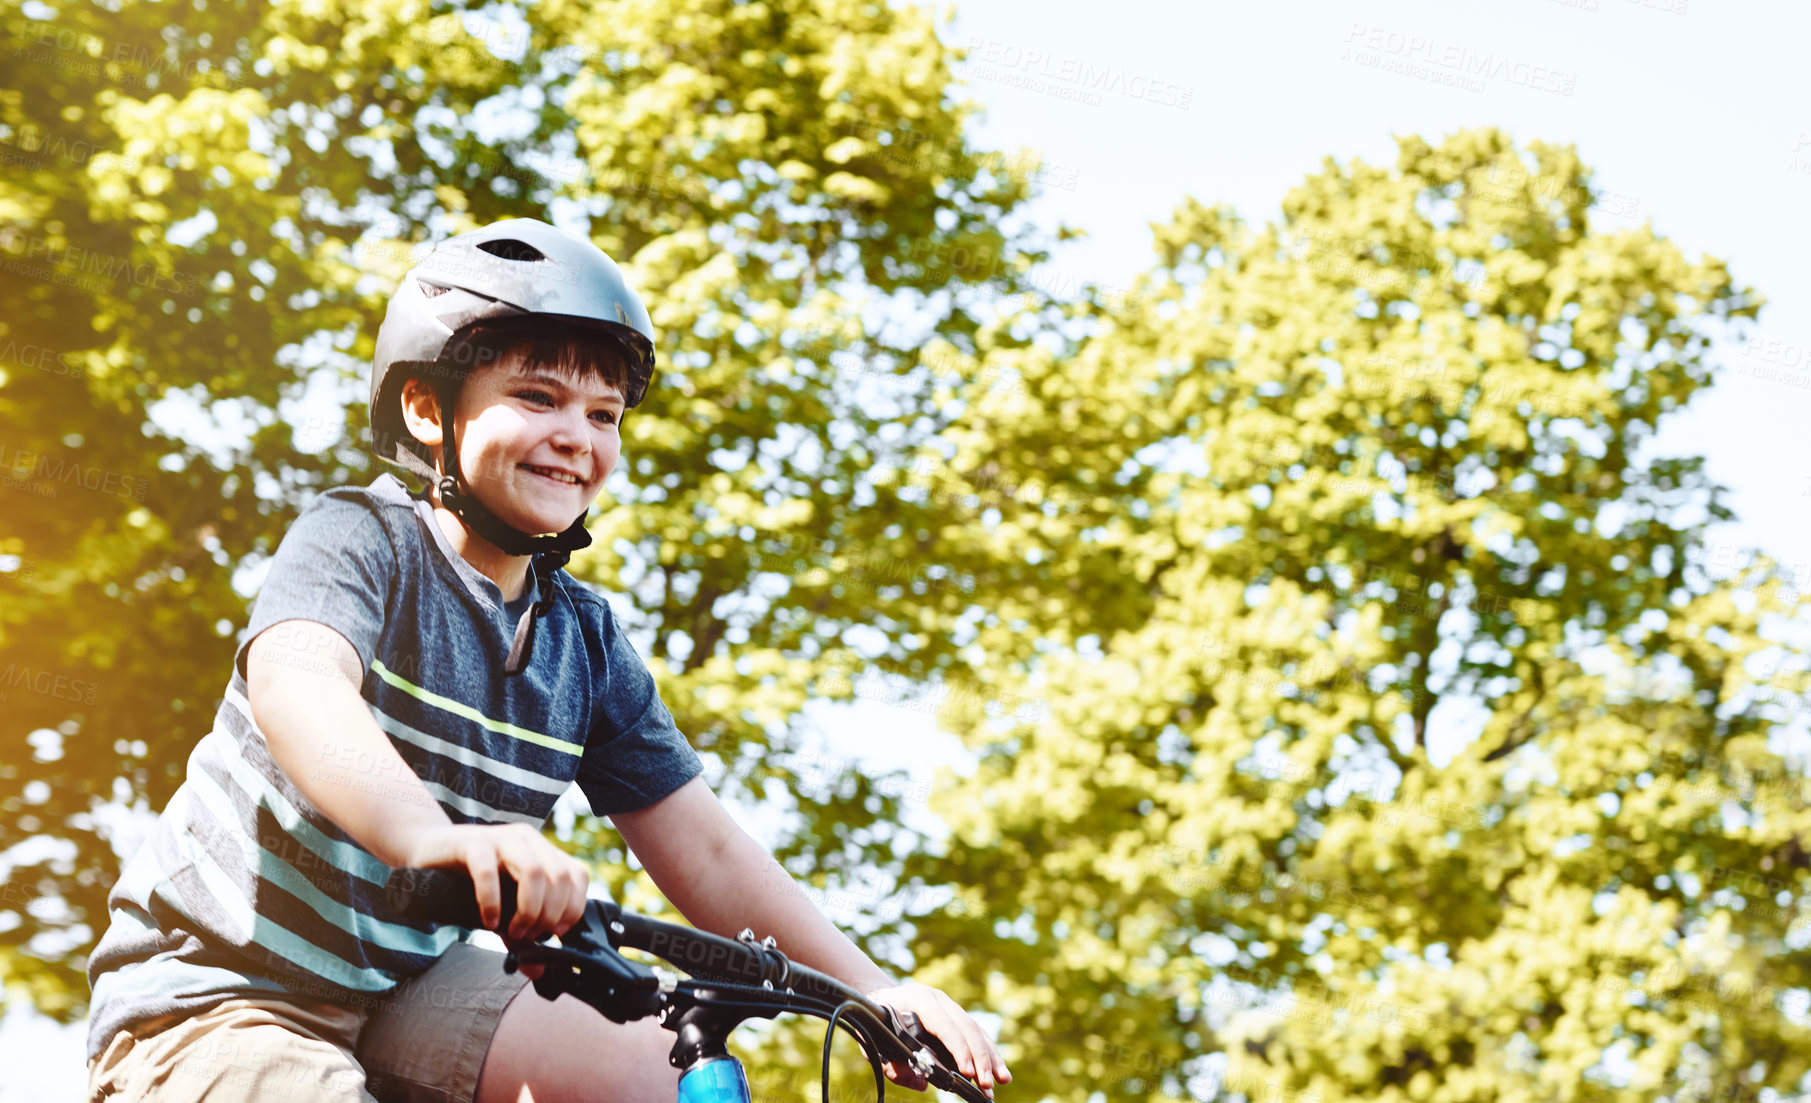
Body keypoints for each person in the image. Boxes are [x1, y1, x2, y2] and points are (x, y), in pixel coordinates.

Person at [83, 218, 1011, 1102]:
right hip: (224, 991)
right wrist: (436, 837)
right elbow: (301, 686)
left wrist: (869, 988)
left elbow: (705, 844)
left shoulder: (584, 639)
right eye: (536, 397)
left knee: (652, 1063)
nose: (578, 436)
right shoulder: (362, 538)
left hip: (409, 983)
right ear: (424, 407)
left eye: (604, 414)